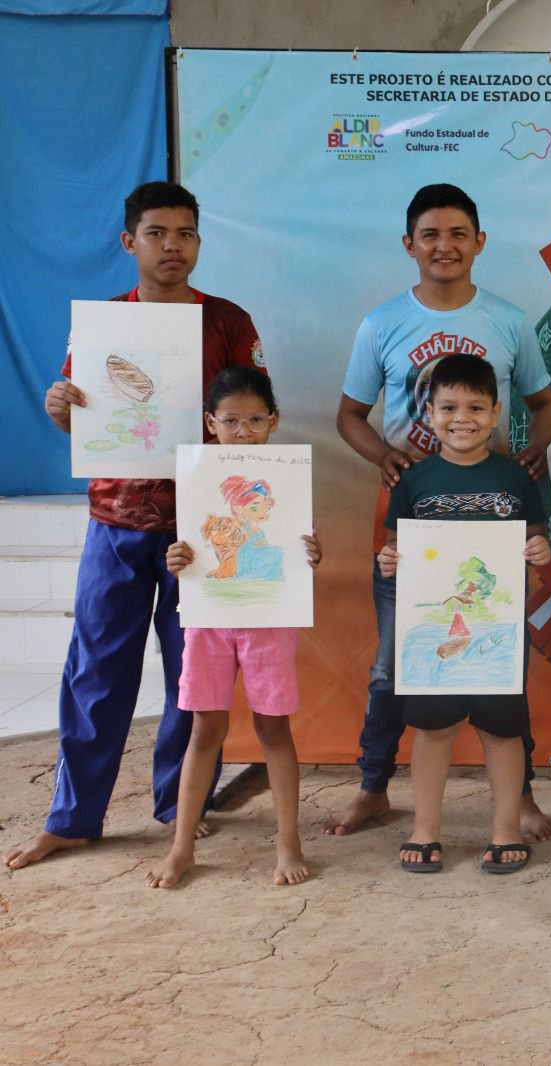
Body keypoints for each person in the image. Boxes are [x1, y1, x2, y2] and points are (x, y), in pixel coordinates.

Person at [5, 181, 266, 871]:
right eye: (156, 233)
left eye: (185, 233)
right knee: (96, 670)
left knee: (195, 673)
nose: (171, 246)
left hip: (205, 526)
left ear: (199, 242)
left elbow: (253, 422)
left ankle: (181, 804)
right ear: (130, 241)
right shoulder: (103, 325)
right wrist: (62, 408)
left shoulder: (229, 322)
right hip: (115, 520)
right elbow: (83, 417)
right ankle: (73, 817)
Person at [328, 184, 551, 841]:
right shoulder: (381, 324)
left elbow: (543, 405)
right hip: (413, 517)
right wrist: (384, 456)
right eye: (430, 234)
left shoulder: (509, 321)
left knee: (500, 658)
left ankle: (522, 798)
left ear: (479, 242)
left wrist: (532, 453)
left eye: (458, 233)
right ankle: (374, 786)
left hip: (492, 518)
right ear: (409, 244)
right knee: (392, 664)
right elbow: (349, 415)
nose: (444, 246)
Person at [146, 367, 320, 888]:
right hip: (209, 621)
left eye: (254, 420)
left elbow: (298, 547)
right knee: (204, 730)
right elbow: (189, 550)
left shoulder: (285, 480)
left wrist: (311, 552)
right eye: (230, 421)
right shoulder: (197, 479)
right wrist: (177, 558)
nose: (243, 432)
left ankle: (288, 841)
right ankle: (181, 846)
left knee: (274, 729)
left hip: (270, 621)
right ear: (211, 423)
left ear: (274, 420)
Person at [382, 355, 551, 873]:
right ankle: (424, 829)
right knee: (432, 729)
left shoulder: (515, 477)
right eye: (449, 407)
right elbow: (395, 549)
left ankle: (505, 829)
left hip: (498, 634)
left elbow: (536, 541)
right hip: (435, 632)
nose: (462, 418)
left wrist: (540, 550)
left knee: (502, 731)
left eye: (476, 408)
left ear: (496, 413)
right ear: (429, 413)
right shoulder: (414, 480)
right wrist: (388, 560)